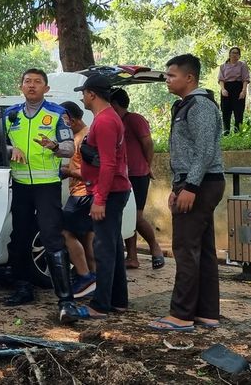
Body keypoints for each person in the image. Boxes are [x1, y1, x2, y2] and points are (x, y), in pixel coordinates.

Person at [149, 54, 225, 332]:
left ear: (189, 77)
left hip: (202, 183)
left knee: (185, 248)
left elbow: (205, 151)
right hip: (192, 182)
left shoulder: (200, 105)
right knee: (203, 250)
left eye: (171, 75)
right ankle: (206, 313)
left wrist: (191, 186)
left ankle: (181, 315)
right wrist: (177, 186)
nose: (167, 80)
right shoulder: (183, 106)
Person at [4, 68, 82, 324]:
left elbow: (69, 148)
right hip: (21, 184)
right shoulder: (10, 114)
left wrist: (55, 147)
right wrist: (10, 148)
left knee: (52, 237)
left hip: (47, 184)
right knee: (20, 237)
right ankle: (23, 288)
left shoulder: (57, 114)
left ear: (46, 89)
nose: (32, 86)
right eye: (27, 81)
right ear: (21, 86)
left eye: (38, 82)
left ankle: (65, 301)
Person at [74, 74, 132, 319]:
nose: (82, 98)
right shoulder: (106, 118)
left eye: (84, 93)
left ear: (91, 94)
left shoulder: (106, 121)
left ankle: (100, 305)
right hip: (112, 190)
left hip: (109, 191)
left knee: (104, 249)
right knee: (114, 247)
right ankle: (118, 300)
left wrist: (99, 198)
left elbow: (108, 164)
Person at [110, 89, 165, 270]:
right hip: (122, 174)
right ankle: (132, 257)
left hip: (138, 174)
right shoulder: (114, 121)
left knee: (137, 217)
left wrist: (147, 166)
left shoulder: (134, 119)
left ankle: (155, 248)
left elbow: (148, 143)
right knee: (128, 217)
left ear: (115, 104)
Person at [59, 101, 96, 299]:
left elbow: (91, 172)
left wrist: (68, 171)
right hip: (85, 193)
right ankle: (94, 278)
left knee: (64, 232)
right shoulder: (79, 136)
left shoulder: (84, 139)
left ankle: (84, 275)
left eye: (63, 121)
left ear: (71, 120)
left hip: (82, 194)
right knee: (87, 238)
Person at [218, 46, 250, 134]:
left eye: (237, 53)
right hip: (226, 88)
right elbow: (221, 79)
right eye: (233, 53)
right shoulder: (223, 66)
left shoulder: (242, 65)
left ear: (239, 55)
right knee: (226, 110)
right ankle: (226, 131)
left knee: (238, 110)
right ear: (229, 54)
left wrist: (243, 91)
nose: (235, 55)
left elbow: (245, 79)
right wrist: (223, 89)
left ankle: (238, 133)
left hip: (238, 87)